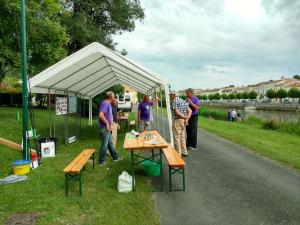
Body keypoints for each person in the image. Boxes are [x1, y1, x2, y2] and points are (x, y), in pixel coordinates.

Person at [98, 91, 122, 165]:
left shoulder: (108, 103)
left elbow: (108, 116)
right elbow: (101, 115)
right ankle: (101, 161)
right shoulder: (106, 103)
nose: (114, 97)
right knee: (104, 144)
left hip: (107, 128)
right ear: (111, 97)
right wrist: (107, 124)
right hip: (104, 128)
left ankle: (115, 157)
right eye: (114, 96)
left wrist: (110, 124)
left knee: (110, 143)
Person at [169, 91, 192, 157]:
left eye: (170, 95)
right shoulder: (183, 100)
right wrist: (186, 119)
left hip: (177, 120)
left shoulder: (174, 101)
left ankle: (177, 154)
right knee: (182, 136)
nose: (170, 96)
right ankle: (184, 152)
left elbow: (176, 112)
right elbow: (190, 111)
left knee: (176, 137)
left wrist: (184, 116)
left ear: (174, 95)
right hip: (183, 121)